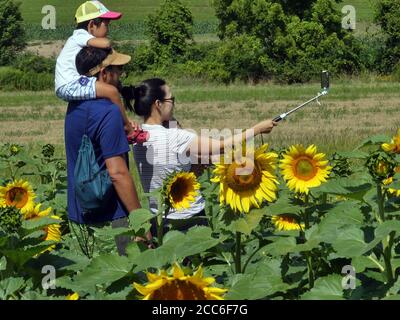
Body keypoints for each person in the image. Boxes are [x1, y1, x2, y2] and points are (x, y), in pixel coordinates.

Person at [121, 78, 277, 233]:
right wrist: (257, 129)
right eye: (171, 100)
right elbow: (221, 146)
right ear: (158, 104)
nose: (173, 104)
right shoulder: (176, 138)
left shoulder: (138, 136)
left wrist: (195, 165)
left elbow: (172, 169)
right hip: (189, 218)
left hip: (159, 219)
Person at [65, 47, 150, 257]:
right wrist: (141, 222)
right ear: (104, 74)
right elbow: (117, 173)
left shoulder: (74, 106)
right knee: (128, 279)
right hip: (112, 216)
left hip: (80, 214)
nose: (120, 75)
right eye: (118, 69)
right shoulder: (108, 111)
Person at [55, 0, 134, 135]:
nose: (108, 30)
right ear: (92, 25)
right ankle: (127, 127)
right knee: (111, 92)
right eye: (106, 25)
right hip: (70, 84)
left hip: (68, 84)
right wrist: (110, 45)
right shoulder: (80, 36)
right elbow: (105, 43)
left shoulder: (76, 38)